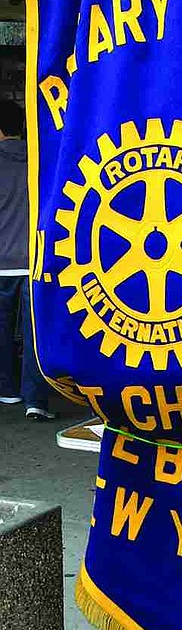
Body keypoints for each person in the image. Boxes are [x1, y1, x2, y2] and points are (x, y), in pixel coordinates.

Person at [0, 98, 55, 421]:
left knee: (2, 329)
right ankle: (35, 399)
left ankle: (6, 388)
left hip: (1, 261)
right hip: (35, 260)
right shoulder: (41, 159)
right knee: (34, 335)